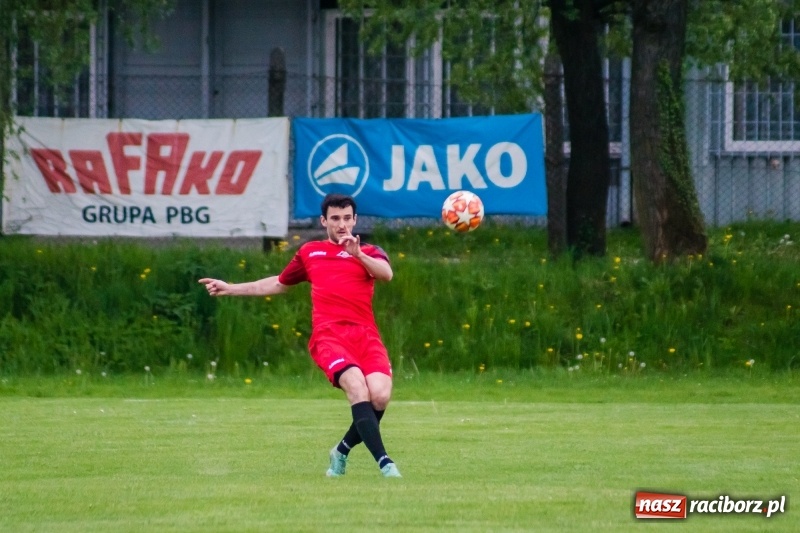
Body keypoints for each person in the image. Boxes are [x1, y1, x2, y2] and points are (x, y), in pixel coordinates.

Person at [198, 193, 401, 478]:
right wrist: (231, 287)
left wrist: (358, 254)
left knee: (379, 395)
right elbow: (279, 284)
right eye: (335, 219)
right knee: (357, 388)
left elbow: (386, 274)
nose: (341, 224)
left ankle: (340, 451)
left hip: (366, 336)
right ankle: (385, 463)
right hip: (329, 337)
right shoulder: (310, 252)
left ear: (355, 220)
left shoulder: (369, 251)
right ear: (323, 221)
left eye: (346, 218)